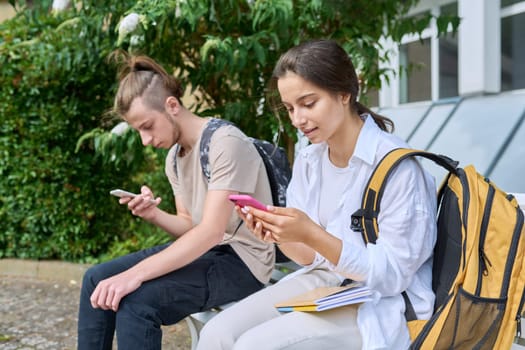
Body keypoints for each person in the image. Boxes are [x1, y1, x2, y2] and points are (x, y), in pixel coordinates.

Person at [196, 39, 437, 350]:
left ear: (344, 93)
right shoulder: (312, 160)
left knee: (252, 346)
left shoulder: (397, 168)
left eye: (308, 104)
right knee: (216, 334)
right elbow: (308, 257)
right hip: (326, 286)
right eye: (290, 108)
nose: (297, 119)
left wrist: (311, 232)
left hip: (380, 304)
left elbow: (392, 276)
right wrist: (278, 233)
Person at [77, 53, 276, 350]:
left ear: (172, 105)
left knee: (137, 302)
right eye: (138, 131)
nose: (145, 140)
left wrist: (132, 277)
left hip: (244, 262)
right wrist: (153, 214)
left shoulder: (226, 143)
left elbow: (209, 231)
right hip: (208, 252)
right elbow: (189, 226)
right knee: (96, 279)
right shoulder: (175, 157)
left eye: (147, 126)